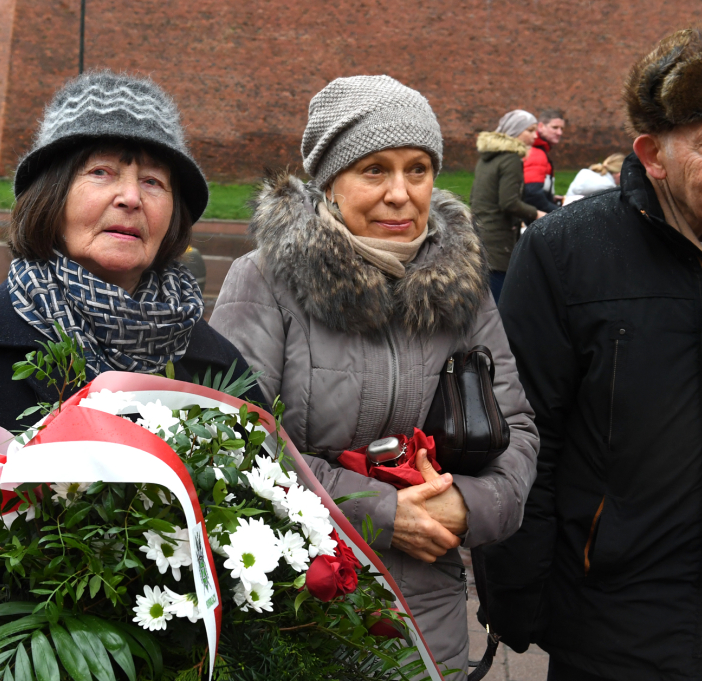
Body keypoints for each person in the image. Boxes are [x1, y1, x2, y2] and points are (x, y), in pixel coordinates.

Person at [0, 71, 265, 681]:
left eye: (153, 180)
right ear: (50, 194)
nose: (131, 198)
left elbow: (263, 543)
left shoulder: (215, 367)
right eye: (102, 172)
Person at [477, 26, 702, 681]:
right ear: (653, 153)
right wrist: (517, 598)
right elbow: (525, 440)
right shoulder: (564, 256)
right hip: (608, 633)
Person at [209, 75, 540, 678]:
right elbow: (230, 448)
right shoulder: (264, 281)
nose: (400, 193)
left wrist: (468, 508)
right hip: (297, 610)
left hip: (426, 619)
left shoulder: (462, 287)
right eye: (373, 170)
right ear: (330, 183)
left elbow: (516, 429)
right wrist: (382, 513)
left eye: (418, 169)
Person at [470, 109, 547, 301]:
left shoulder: (487, 157)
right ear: (515, 131)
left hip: (480, 236)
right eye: (530, 130)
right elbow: (509, 202)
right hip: (498, 243)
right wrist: (537, 214)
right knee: (499, 302)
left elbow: (475, 197)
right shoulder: (511, 158)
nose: (535, 136)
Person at [522, 108, 565, 213]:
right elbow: (532, 194)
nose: (559, 132)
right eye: (554, 127)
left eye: (561, 128)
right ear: (540, 126)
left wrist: (550, 197)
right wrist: (558, 212)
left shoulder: (540, 150)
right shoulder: (536, 152)